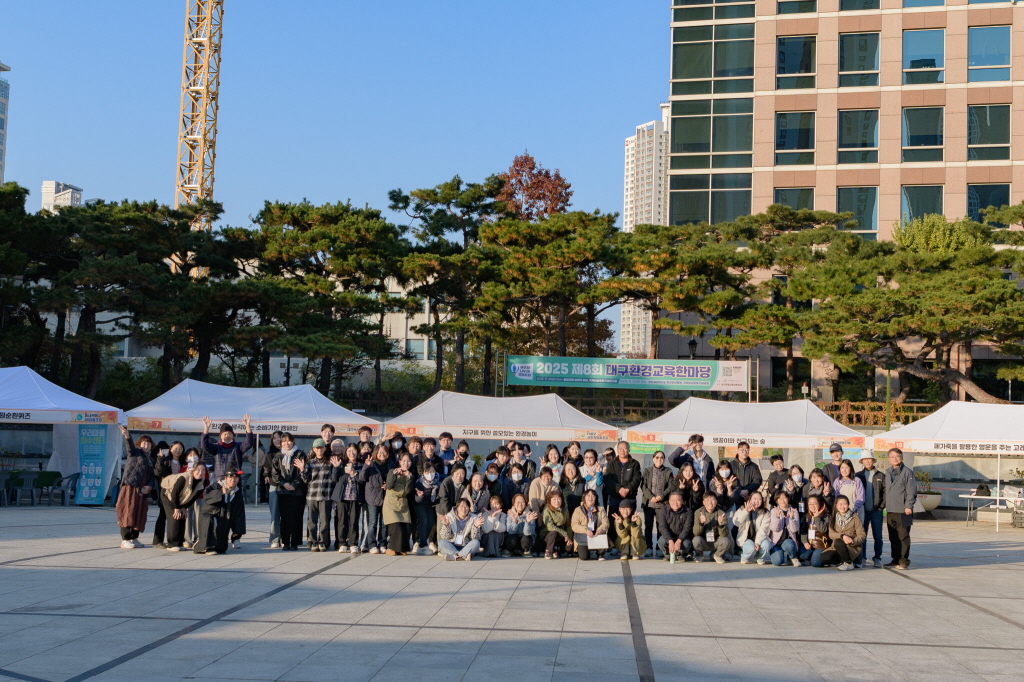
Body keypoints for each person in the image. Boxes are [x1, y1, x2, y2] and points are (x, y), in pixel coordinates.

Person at [116, 426, 154, 549]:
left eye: (149, 444)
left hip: (142, 490)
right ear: (139, 444)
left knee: (139, 513)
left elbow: (151, 475)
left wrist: (149, 486)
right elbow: (129, 447)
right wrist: (127, 436)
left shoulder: (149, 458)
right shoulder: (135, 452)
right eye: (144, 443)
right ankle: (125, 539)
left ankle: (134, 537)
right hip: (130, 487)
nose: (146, 446)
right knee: (128, 511)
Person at [196, 470, 246, 555]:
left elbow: (239, 513)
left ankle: (215, 544)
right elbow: (206, 496)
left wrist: (237, 531)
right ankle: (205, 546)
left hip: (224, 518)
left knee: (221, 548)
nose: (233, 480)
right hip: (210, 514)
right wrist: (221, 493)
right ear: (225, 478)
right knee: (211, 520)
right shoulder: (216, 486)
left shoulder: (237, 492)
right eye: (230, 477)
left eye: (236, 477)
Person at [605, 442, 642, 552]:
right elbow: (608, 479)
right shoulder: (611, 463)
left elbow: (637, 479)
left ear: (629, 450)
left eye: (625, 448)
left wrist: (628, 489)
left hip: (629, 498)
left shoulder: (634, 464)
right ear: (617, 450)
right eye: (620, 448)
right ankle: (612, 545)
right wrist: (619, 489)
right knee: (613, 520)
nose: (622, 451)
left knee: (630, 521)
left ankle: (629, 545)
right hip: (615, 497)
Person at [160, 464, 207, 551]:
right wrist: (177, 508)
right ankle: (171, 544)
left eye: (203, 470)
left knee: (182, 517)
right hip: (168, 494)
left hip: (181, 498)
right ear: (193, 470)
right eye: (198, 470)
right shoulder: (184, 478)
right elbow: (174, 493)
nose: (200, 472)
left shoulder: (203, 482)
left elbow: (193, 498)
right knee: (174, 517)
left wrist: (184, 507)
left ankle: (179, 543)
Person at [272, 433, 307, 551]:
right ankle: (286, 542)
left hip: (298, 492)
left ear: (293, 441)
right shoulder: (278, 456)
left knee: (296, 517)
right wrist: (284, 483)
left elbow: (304, 471)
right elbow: (275, 473)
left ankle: (295, 542)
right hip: (283, 491)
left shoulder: (300, 454)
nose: (286, 443)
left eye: (289, 441)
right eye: (284, 441)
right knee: (285, 518)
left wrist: (295, 484)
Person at [884, 448, 917, 570]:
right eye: (892, 456)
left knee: (903, 536)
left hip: (903, 510)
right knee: (893, 536)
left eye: (897, 456)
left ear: (902, 457)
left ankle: (903, 560)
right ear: (889, 459)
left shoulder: (908, 472)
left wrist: (909, 506)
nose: (895, 459)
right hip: (891, 509)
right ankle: (895, 559)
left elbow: (911, 491)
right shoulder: (888, 472)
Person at [200, 414, 255, 484]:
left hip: (234, 480)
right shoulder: (216, 447)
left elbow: (249, 443)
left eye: (229, 434)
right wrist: (206, 429)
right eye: (225, 434)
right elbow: (204, 445)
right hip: (219, 480)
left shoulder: (238, 446)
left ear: (232, 436)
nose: (227, 436)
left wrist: (247, 426)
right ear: (221, 436)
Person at [302, 438, 334, 552]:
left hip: (326, 495)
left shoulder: (330, 462)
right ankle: (313, 541)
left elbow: (334, 478)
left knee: (324, 521)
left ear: (325, 448)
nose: (319, 450)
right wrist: (302, 469)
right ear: (313, 449)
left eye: (321, 447)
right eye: (317, 448)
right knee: (312, 520)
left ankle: (322, 542)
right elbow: (305, 479)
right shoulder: (310, 463)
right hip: (312, 495)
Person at [358, 445, 392, 554]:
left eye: (384, 452)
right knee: (372, 522)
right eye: (379, 452)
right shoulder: (371, 464)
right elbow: (362, 478)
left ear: (388, 454)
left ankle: (382, 543)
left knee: (384, 523)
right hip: (373, 497)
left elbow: (393, 480)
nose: (382, 454)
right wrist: (366, 466)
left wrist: (388, 485)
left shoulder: (391, 465)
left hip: (386, 497)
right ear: (375, 453)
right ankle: (372, 544)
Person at [856, 452, 886, 568]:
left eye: (869, 459)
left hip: (876, 511)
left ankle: (877, 558)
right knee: (862, 535)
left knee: (878, 536)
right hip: (863, 511)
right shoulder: (858, 475)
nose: (867, 461)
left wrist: (881, 506)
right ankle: (862, 557)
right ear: (862, 461)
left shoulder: (881, 476)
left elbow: (885, 492)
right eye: (865, 459)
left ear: (873, 460)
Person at [330, 443, 362, 553]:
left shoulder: (361, 464)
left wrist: (355, 473)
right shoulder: (341, 463)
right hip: (342, 497)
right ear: (346, 453)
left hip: (355, 497)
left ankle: (353, 543)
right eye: (349, 451)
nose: (351, 453)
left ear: (357, 452)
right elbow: (334, 479)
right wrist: (336, 467)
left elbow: (363, 480)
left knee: (354, 521)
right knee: (342, 521)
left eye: (354, 451)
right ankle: (342, 543)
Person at [641, 450, 672, 557]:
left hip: (662, 505)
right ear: (653, 459)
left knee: (661, 527)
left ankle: (659, 548)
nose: (659, 459)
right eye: (657, 457)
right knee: (648, 527)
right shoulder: (647, 471)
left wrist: (661, 496)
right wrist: (651, 497)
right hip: (649, 504)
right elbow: (643, 485)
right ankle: (648, 547)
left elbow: (671, 486)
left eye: (661, 457)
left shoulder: (668, 471)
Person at [823, 494, 866, 571]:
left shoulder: (855, 517)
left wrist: (853, 541)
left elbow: (862, 535)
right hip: (838, 548)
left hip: (851, 547)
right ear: (836, 505)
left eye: (845, 504)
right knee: (822, 559)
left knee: (838, 541)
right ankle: (842, 560)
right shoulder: (833, 518)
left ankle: (848, 563)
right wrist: (842, 536)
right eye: (840, 504)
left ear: (848, 505)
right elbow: (831, 534)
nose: (842, 506)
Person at [383, 452, 415, 555]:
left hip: (403, 504)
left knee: (406, 527)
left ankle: (402, 549)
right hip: (391, 503)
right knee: (396, 526)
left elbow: (408, 491)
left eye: (408, 461)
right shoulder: (392, 471)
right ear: (400, 462)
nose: (406, 463)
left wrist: (409, 477)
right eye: (404, 461)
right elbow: (389, 485)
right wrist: (394, 474)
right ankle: (392, 548)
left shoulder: (410, 475)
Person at [570, 489, 609, 561]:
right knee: (584, 557)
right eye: (588, 496)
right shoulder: (578, 510)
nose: (590, 498)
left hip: (596, 533)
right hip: (583, 535)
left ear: (596, 498)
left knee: (602, 534)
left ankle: (600, 553)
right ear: (584, 497)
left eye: (593, 496)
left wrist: (599, 531)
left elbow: (606, 523)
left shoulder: (601, 509)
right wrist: (586, 530)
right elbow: (574, 525)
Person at [692, 492, 731, 563]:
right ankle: (699, 555)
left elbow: (724, 534)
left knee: (726, 541)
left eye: (712, 500)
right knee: (696, 540)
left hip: (716, 541)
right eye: (707, 500)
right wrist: (701, 523)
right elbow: (696, 533)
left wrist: (720, 524)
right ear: (703, 502)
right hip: (704, 541)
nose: (710, 503)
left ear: (716, 502)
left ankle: (717, 555)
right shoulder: (698, 512)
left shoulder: (721, 513)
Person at [261, 430, 284, 549]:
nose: (277, 440)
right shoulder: (270, 454)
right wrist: (266, 475)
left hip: (287, 486)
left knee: (286, 514)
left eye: (279, 437)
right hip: (274, 485)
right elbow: (266, 467)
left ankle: (285, 537)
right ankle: (275, 538)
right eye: (274, 438)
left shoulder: (289, 453)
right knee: (274, 514)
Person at [734, 491, 770, 564]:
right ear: (750, 499)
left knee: (766, 545)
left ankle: (759, 557)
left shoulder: (765, 512)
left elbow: (764, 529)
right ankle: (744, 557)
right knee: (750, 547)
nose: (756, 501)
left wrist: (757, 542)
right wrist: (746, 511)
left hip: (760, 537)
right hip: (746, 538)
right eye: (754, 498)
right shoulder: (742, 509)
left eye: (759, 499)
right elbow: (736, 522)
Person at [656, 491, 693, 562]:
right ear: (669, 501)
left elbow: (687, 528)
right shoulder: (664, 510)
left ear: (682, 501)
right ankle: (667, 554)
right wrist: (670, 540)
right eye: (673, 500)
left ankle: (680, 554)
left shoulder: (688, 511)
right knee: (661, 541)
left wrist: (679, 540)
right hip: (669, 536)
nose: (675, 503)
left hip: (681, 537)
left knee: (687, 544)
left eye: (678, 500)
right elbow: (662, 527)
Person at [182, 449, 208, 549]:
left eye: (194, 454)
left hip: (199, 496)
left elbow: (206, 482)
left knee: (199, 517)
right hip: (187, 497)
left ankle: (198, 538)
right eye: (190, 455)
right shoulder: (184, 468)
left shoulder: (203, 468)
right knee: (187, 517)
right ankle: (187, 539)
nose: (192, 456)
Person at [766, 492, 802, 566]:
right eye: (780, 499)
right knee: (778, 562)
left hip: (788, 540)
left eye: (784, 498)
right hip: (776, 542)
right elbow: (775, 529)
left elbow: (795, 529)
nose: (782, 501)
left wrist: (791, 518)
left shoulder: (794, 511)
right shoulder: (773, 511)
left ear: (788, 499)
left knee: (789, 545)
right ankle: (779, 553)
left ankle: (793, 557)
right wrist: (777, 517)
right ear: (777, 500)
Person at [412, 463, 440, 555]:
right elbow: (416, 499)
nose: (430, 474)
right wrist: (420, 496)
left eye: (432, 471)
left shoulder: (438, 479)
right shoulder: (419, 482)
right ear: (424, 472)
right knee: (424, 521)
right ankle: (422, 545)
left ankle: (422, 541)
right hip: (420, 504)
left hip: (430, 505)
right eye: (427, 472)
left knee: (431, 521)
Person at [150, 441, 173, 548]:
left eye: (180, 449)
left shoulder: (181, 461)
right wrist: (160, 459)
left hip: (178, 491)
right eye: (175, 449)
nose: (177, 451)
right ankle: (158, 540)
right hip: (165, 491)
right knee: (163, 515)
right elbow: (158, 472)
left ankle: (175, 540)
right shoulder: (164, 460)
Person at [799, 494, 831, 567]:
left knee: (816, 563)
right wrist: (805, 542)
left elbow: (823, 530)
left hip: (821, 545)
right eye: (810, 504)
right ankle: (811, 556)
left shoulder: (826, 516)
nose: (812, 506)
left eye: (814, 504)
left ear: (819, 504)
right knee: (801, 555)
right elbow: (803, 531)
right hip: (810, 545)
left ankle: (827, 559)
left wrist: (817, 518)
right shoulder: (806, 516)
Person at [540, 490, 571, 559]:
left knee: (569, 546)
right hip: (548, 535)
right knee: (554, 533)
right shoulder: (547, 510)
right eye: (554, 499)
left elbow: (568, 525)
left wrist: (569, 537)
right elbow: (550, 526)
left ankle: (556, 549)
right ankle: (548, 551)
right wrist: (564, 534)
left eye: (559, 499)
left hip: (561, 536)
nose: (557, 501)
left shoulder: (565, 509)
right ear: (550, 500)